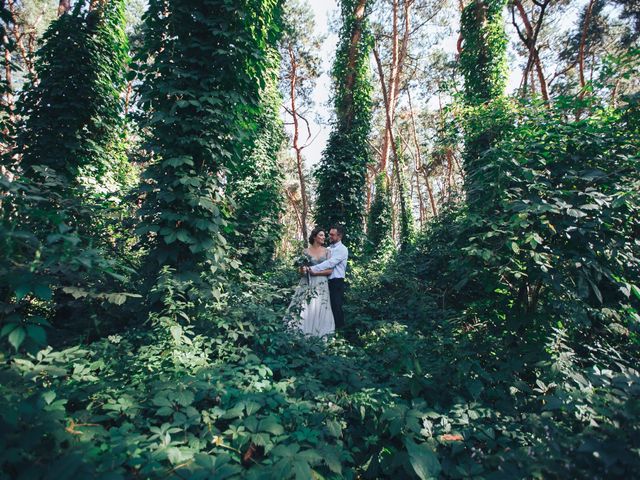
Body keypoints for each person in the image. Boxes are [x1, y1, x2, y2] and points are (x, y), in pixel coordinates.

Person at [284, 227, 335, 337]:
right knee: (305, 304)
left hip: (321, 282)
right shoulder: (305, 251)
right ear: (314, 236)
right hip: (307, 281)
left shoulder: (327, 251)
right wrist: (303, 270)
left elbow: (330, 270)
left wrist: (315, 273)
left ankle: (320, 333)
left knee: (321, 305)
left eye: (324, 235)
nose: (323, 237)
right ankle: (300, 331)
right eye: (321, 235)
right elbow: (301, 272)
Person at [305, 225, 348, 329]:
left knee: (336, 306)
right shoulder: (327, 249)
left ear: (340, 236)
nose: (330, 236)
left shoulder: (342, 249)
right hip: (324, 281)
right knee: (325, 306)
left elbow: (330, 263)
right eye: (330, 234)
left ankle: (339, 330)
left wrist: (313, 269)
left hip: (337, 281)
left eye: (332, 235)